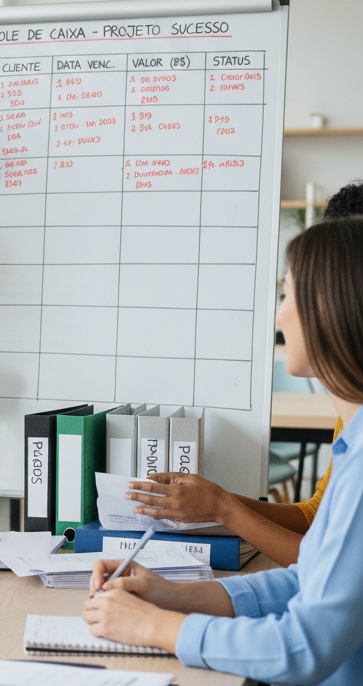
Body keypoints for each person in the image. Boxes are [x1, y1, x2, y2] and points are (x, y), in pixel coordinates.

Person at [83, 216, 363, 686]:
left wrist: (153, 629)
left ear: (331, 308)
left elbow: (308, 646)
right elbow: (315, 575)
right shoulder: (354, 445)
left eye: (288, 294)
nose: (281, 314)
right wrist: (177, 596)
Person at [123, 179, 363, 568]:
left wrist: (223, 509)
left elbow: (325, 571)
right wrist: (219, 501)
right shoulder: (351, 413)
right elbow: (317, 520)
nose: (279, 315)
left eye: (291, 293)